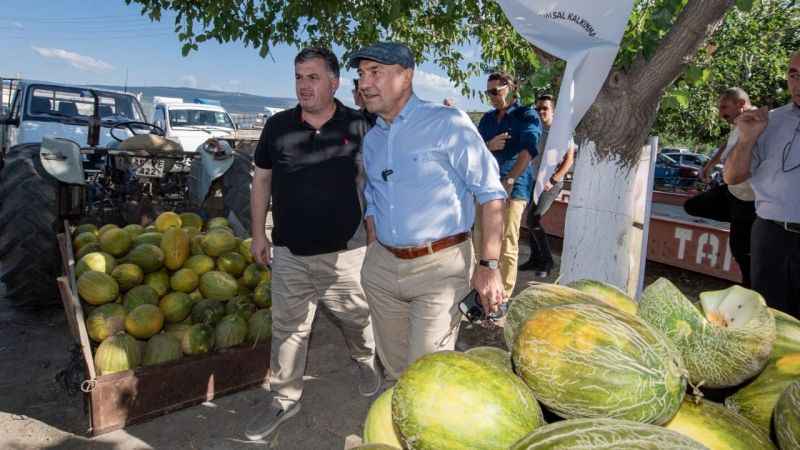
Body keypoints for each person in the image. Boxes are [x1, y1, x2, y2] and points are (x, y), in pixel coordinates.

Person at [348, 42, 507, 381]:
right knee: (396, 370)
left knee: (426, 376)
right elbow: (373, 194)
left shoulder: (448, 123)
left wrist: (489, 266)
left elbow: (491, 193)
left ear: (406, 76)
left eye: (375, 72)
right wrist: (376, 240)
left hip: (440, 269)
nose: (364, 83)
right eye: (361, 74)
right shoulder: (373, 139)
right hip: (382, 269)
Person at [246, 47, 379, 440]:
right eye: (299, 77)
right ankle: (285, 398)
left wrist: (373, 231)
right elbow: (262, 181)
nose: (304, 85)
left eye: (313, 77)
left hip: (345, 252)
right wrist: (258, 234)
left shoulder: (358, 125)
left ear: (334, 82)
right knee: (288, 328)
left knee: (356, 318)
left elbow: (371, 181)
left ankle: (365, 358)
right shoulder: (277, 126)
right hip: (289, 251)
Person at [724, 51, 800, 317]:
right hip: (771, 237)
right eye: (794, 74)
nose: (798, 84)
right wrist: (747, 139)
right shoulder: (768, 122)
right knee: (769, 320)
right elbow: (732, 177)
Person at [475, 72, 542, 297]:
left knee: (507, 245)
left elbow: (529, 150)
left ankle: (500, 297)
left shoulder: (527, 115)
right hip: (486, 190)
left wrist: (510, 179)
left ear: (511, 88)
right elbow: (473, 151)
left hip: (514, 190)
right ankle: (481, 291)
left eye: (496, 91)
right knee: (480, 241)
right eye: (489, 92)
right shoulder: (486, 119)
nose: (492, 96)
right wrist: (488, 145)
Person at [682, 88, 757, 287]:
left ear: (741, 104)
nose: (720, 113)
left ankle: (750, 291)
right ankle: (741, 221)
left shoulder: (755, 123)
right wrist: (710, 164)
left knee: (741, 252)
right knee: (692, 206)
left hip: (748, 200)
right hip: (731, 192)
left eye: (724, 107)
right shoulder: (738, 123)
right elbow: (727, 144)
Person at [518, 94, 574, 277]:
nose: (541, 111)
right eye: (538, 108)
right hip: (534, 181)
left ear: (553, 111)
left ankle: (547, 261)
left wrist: (553, 180)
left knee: (533, 219)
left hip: (550, 184)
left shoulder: (562, 131)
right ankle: (535, 259)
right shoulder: (536, 129)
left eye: (545, 108)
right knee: (530, 220)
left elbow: (569, 160)